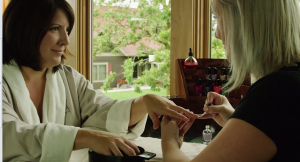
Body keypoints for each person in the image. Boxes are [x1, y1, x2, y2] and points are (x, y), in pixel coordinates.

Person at [2, 0, 199, 161]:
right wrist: (84, 136)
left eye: (67, 29)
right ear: (26, 29)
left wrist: (144, 102)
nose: (66, 40)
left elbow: (102, 112)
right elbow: (8, 135)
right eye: (55, 29)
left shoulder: (69, 78)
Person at [160, 0, 300, 161]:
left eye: (218, 18)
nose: (217, 33)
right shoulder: (290, 83)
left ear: (244, 23)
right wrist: (236, 118)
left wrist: (169, 141)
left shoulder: (277, 91)